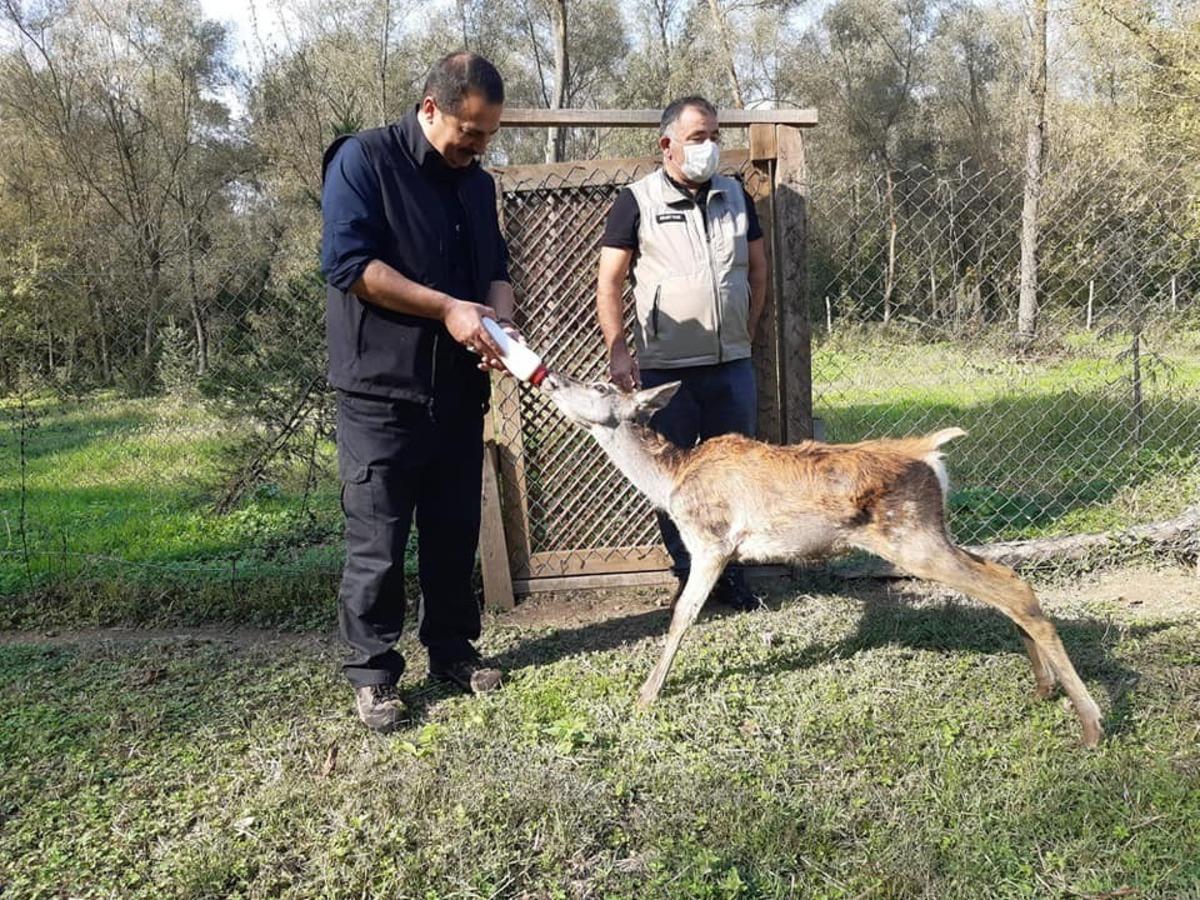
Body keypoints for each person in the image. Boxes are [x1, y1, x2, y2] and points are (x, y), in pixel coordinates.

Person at [320, 52, 521, 732]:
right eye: (471, 130)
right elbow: (349, 265)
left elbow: (495, 268)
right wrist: (447, 308)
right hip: (381, 392)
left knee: (452, 530)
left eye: (489, 134)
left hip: (457, 392)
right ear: (430, 107)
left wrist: (499, 313)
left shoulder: (476, 184)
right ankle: (374, 674)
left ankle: (453, 652)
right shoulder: (364, 161)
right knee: (377, 540)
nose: (478, 146)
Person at [596, 95, 769, 611]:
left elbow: (758, 273)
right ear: (667, 144)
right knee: (673, 475)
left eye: (715, 136)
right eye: (698, 138)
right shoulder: (636, 201)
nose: (710, 147)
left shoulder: (737, 197)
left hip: (732, 364)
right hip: (666, 369)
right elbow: (609, 284)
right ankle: (689, 572)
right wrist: (618, 352)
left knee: (736, 475)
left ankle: (733, 578)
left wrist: (748, 330)